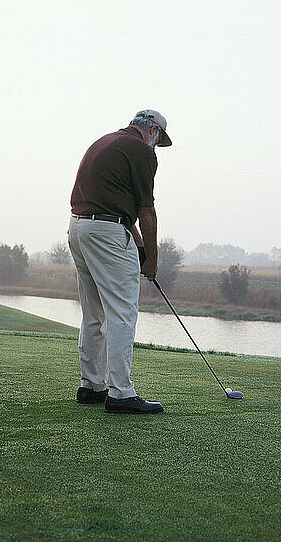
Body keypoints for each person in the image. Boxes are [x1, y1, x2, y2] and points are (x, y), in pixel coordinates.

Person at [68, 109, 172, 414]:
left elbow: (115, 204)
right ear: (153, 131)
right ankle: (121, 394)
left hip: (79, 227)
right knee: (122, 313)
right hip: (106, 233)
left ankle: (92, 386)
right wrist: (151, 260)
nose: (157, 146)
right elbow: (146, 212)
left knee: (94, 312)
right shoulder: (142, 151)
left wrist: (137, 242)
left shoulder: (105, 142)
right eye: (159, 140)